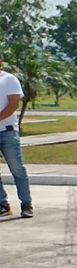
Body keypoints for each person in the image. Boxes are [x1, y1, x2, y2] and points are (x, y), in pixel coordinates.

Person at [0, 60, 32, 218]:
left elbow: (13, 105)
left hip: (7, 132)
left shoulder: (9, 79)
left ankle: (26, 204)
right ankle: (3, 204)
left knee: (17, 169)